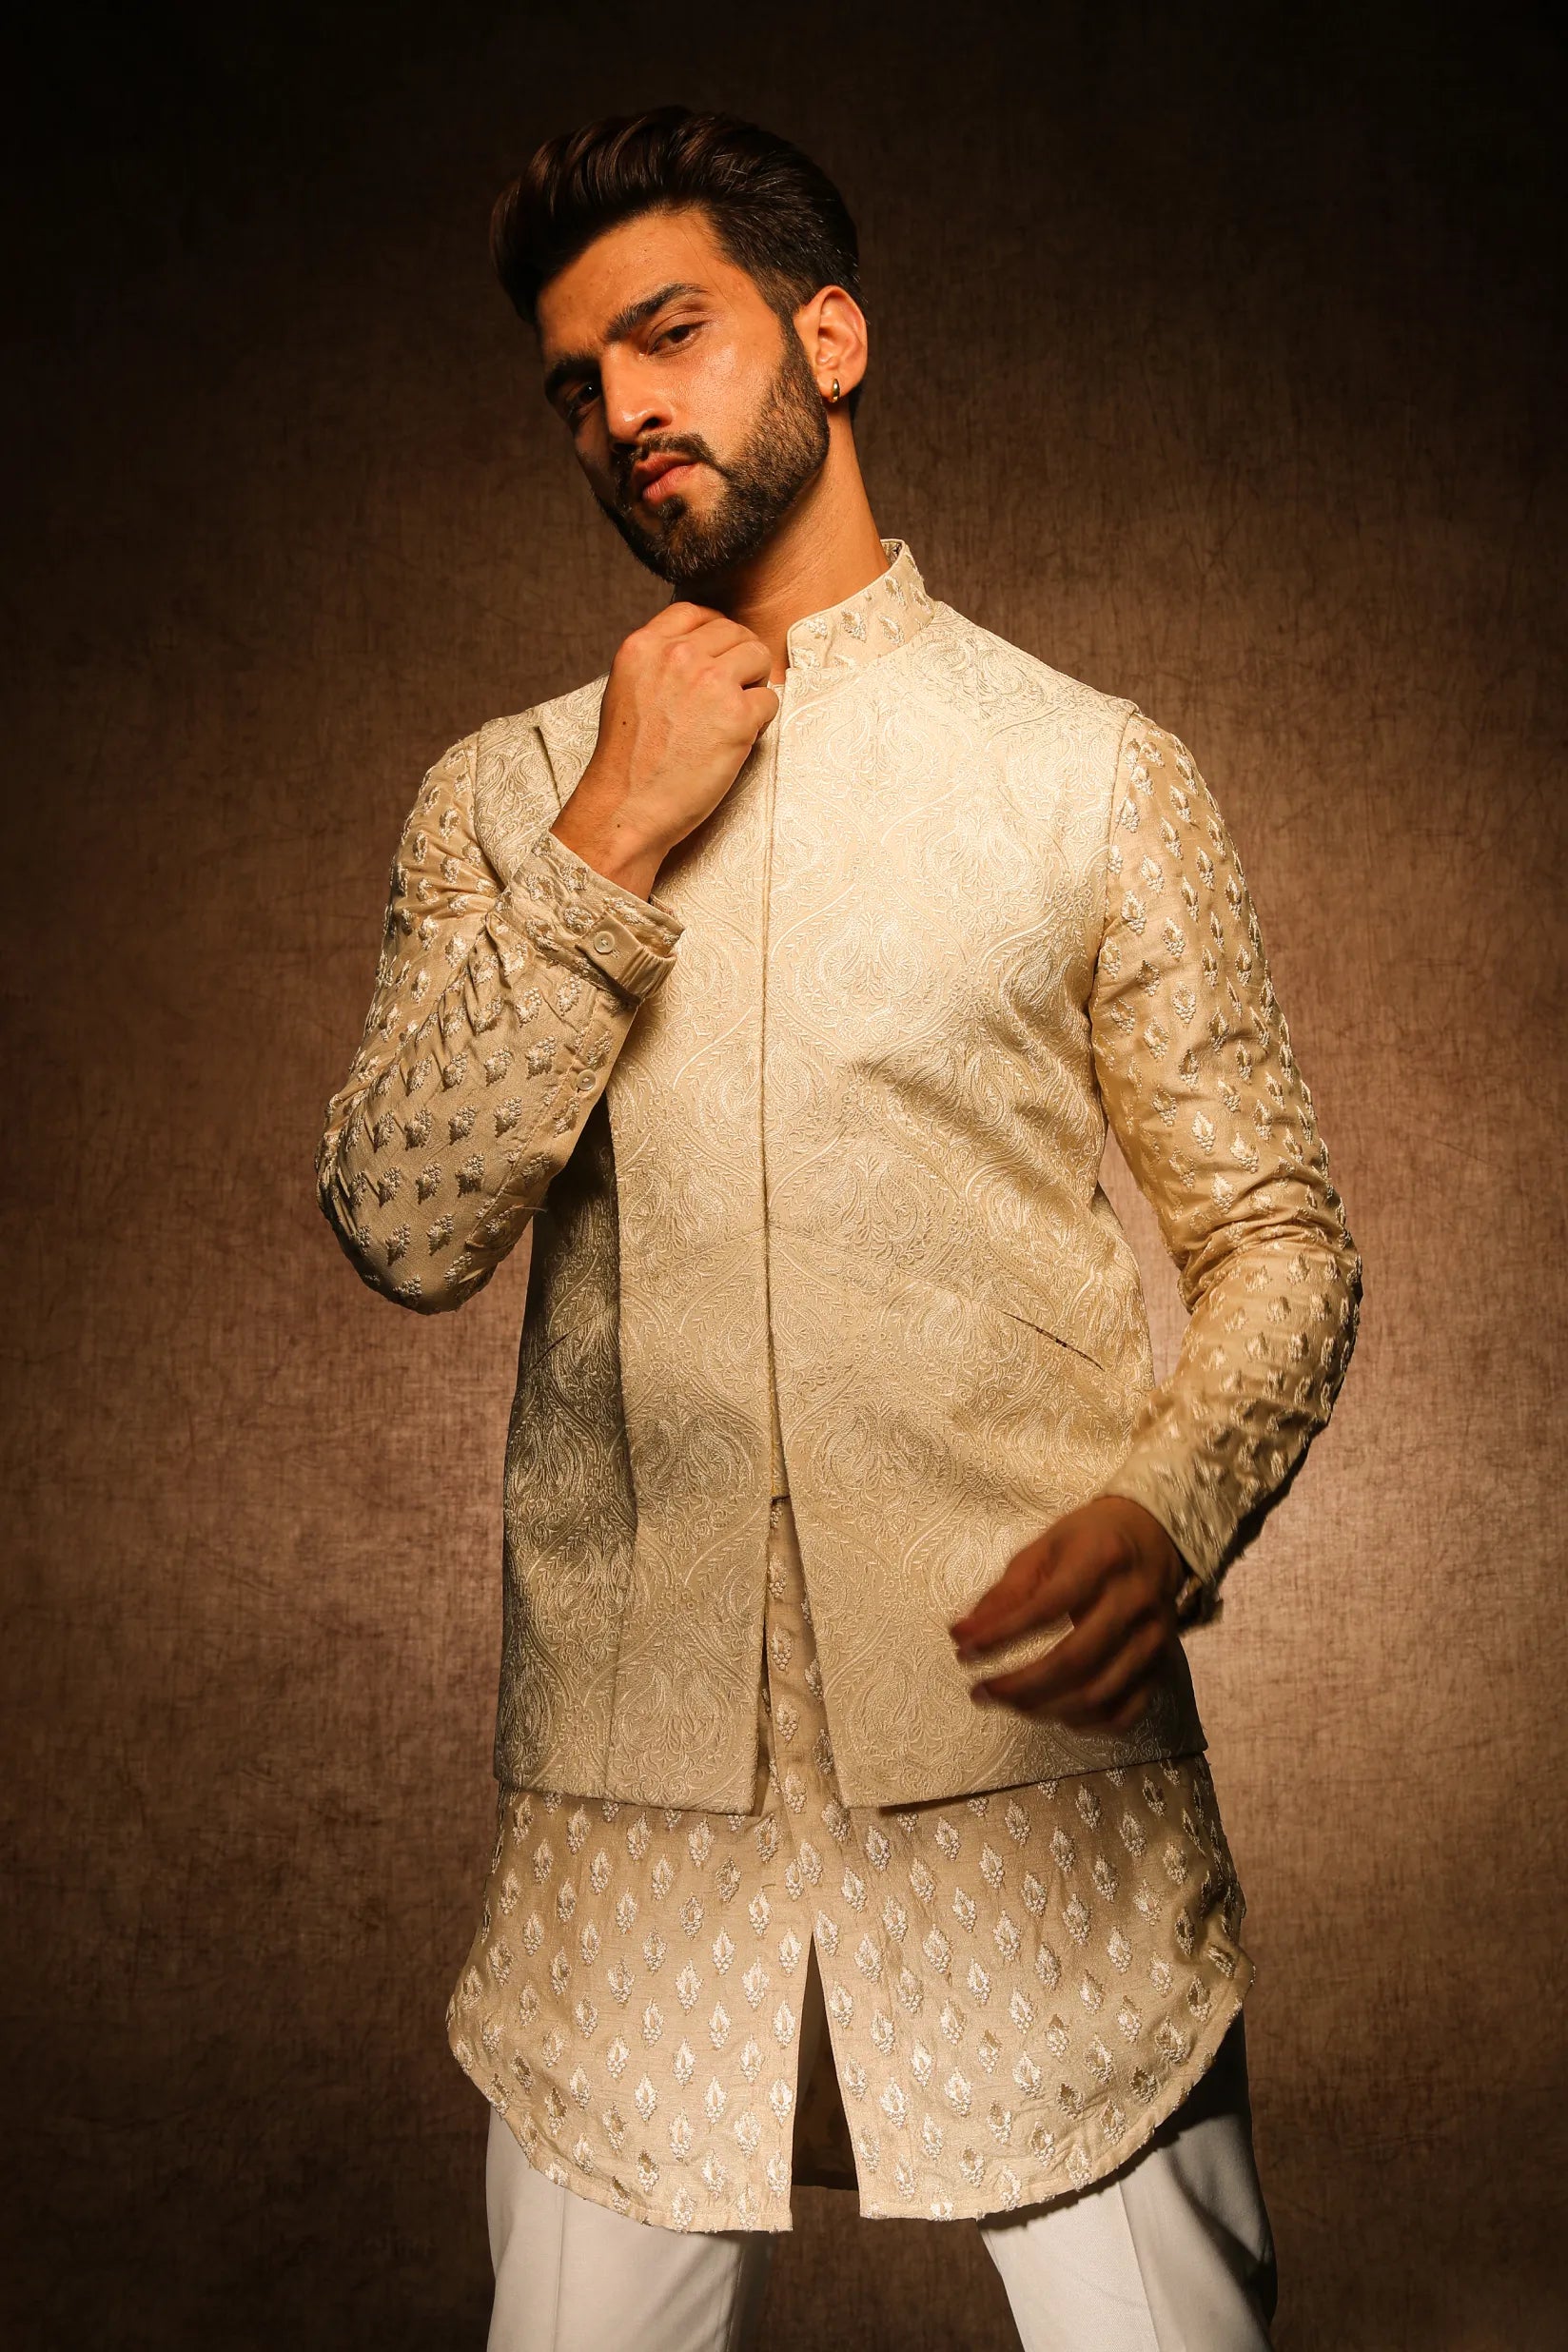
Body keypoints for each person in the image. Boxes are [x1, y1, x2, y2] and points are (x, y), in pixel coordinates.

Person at [314, 106, 1362, 2352]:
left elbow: (1278, 1232)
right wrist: (612, 830)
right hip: (628, 1844)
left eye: (667, 334)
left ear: (828, 336)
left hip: (1031, 1786)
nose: (620, 410)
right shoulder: (507, 795)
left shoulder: (1087, 771)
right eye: (573, 384)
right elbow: (400, 1218)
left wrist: (1172, 1506)